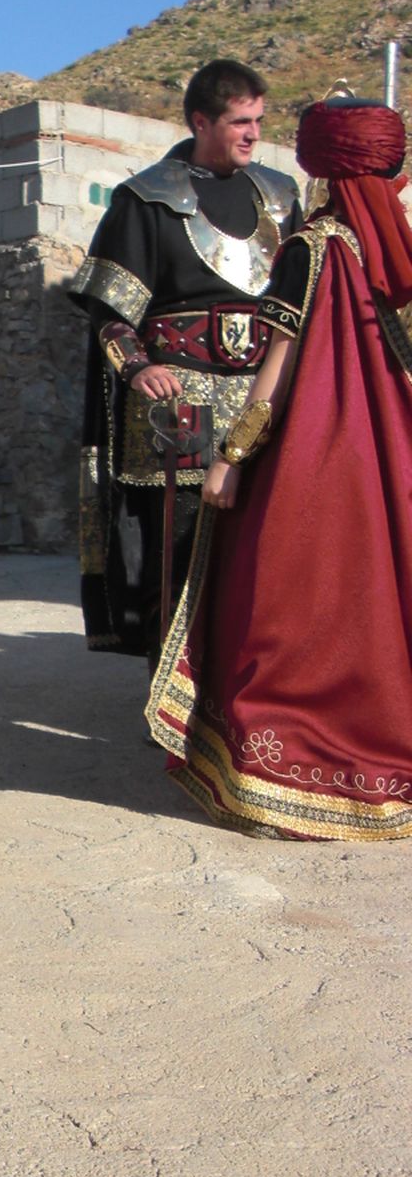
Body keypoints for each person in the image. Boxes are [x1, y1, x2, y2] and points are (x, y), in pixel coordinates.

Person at [148, 97, 412, 837]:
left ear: (321, 166)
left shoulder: (315, 246)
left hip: (317, 461)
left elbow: (277, 367)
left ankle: (286, 781)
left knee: (293, 608)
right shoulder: (395, 255)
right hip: (391, 461)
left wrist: (232, 456)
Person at [73, 59, 301, 660]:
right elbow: (110, 312)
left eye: (259, 120)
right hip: (179, 407)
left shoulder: (281, 198)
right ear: (202, 121)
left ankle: (242, 695)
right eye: (240, 121)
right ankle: (171, 697)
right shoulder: (146, 200)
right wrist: (138, 366)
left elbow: (302, 302)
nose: (254, 133)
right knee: (176, 556)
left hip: (263, 397)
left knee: (262, 550)